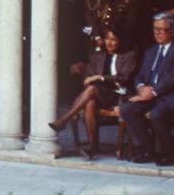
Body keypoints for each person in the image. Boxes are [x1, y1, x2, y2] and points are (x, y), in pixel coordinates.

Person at [120, 13, 174, 165]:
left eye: (163, 29)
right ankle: (147, 149)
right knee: (128, 108)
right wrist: (141, 88)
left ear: (173, 31)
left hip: (172, 96)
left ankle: (166, 153)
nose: (158, 33)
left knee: (157, 113)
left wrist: (152, 93)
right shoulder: (151, 51)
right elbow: (139, 75)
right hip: (151, 95)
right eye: (156, 29)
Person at [50, 28, 137, 159]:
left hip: (119, 93)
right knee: (90, 102)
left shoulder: (129, 56)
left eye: (113, 39)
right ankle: (92, 146)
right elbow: (89, 74)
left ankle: (65, 119)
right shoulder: (98, 55)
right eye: (107, 38)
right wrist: (82, 70)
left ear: (120, 41)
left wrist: (100, 77)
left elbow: (124, 77)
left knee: (93, 89)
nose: (109, 42)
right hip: (100, 94)